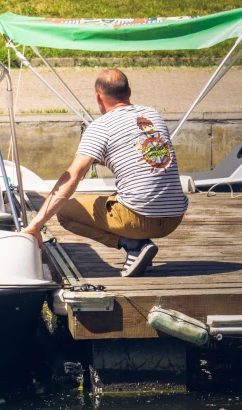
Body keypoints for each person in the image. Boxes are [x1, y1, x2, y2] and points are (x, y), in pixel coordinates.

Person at [22, 69, 188, 277]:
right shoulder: (152, 115)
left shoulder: (100, 127)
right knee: (120, 197)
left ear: (98, 97)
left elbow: (72, 177)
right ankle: (138, 246)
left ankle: (133, 245)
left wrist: (36, 224)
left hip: (139, 218)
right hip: (174, 218)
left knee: (65, 212)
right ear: (129, 91)